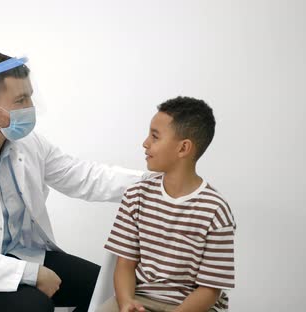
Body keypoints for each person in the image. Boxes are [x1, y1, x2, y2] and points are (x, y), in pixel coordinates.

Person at [0, 52, 144, 312]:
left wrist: (152, 183)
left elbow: (82, 176)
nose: (30, 107)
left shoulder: (28, 145)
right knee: (36, 307)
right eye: (21, 100)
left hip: (26, 254)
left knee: (107, 290)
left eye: (30, 96)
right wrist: (31, 274)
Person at [97, 97, 236, 312]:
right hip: (142, 298)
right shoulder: (136, 195)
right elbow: (125, 265)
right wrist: (126, 302)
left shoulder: (215, 211)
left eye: (155, 136)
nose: (145, 143)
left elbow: (210, 289)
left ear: (183, 148)